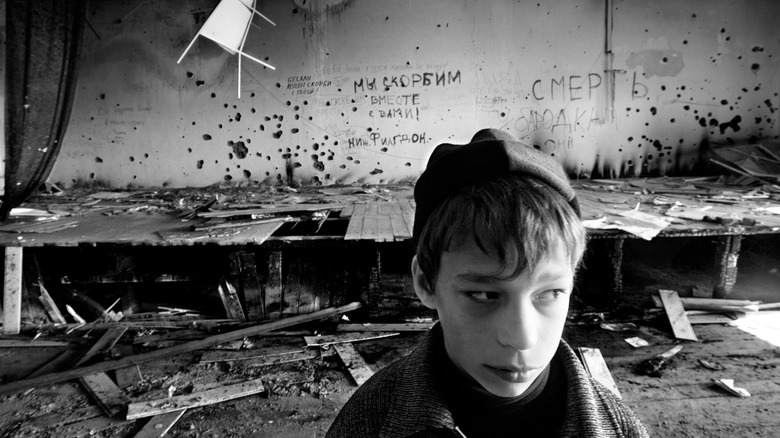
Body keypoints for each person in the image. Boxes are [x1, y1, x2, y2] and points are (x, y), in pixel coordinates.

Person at [326, 129, 649, 438]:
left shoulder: (620, 429)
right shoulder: (370, 421)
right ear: (426, 282)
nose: (522, 339)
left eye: (550, 293)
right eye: (484, 294)